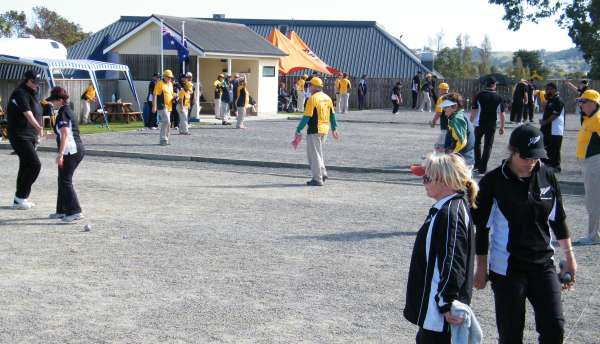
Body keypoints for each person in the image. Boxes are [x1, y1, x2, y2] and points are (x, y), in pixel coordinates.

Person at [473, 124, 577, 344]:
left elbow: (558, 219)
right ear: (513, 151)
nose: (532, 162)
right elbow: (482, 228)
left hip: (543, 264)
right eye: (527, 157)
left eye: (536, 157)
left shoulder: (547, 175)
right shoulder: (493, 181)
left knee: (554, 328)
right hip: (508, 269)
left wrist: (570, 258)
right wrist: (481, 267)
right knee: (511, 336)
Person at [404, 153, 478, 344]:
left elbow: (454, 260)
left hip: (439, 314)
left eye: (426, 178)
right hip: (434, 312)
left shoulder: (451, 213)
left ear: (444, 180)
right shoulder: (448, 208)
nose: (423, 182)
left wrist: (447, 301)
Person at [45, 87, 86, 223]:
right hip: (74, 149)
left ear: (61, 100)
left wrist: (60, 154)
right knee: (62, 179)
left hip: (71, 151)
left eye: (54, 101)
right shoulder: (65, 111)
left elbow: (65, 134)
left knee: (65, 181)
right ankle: (62, 210)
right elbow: (61, 133)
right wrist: (45, 136)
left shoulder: (63, 113)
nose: (52, 103)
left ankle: (75, 211)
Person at [6, 70, 44, 209]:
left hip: (30, 135)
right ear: (26, 80)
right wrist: (39, 128)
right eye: (33, 82)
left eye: (37, 82)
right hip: (19, 135)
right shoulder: (20, 93)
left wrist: (36, 134)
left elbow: (37, 111)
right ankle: (21, 197)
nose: (36, 85)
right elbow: (27, 113)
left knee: (25, 166)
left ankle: (20, 199)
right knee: (35, 164)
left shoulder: (34, 93)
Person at [294, 77, 340, 186]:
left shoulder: (312, 99)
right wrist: (334, 129)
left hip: (314, 130)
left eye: (310, 85)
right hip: (325, 130)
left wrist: (298, 129)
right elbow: (332, 115)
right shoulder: (328, 98)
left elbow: (306, 117)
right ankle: (323, 173)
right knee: (318, 153)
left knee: (313, 156)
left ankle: (317, 179)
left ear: (315, 87)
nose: (309, 87)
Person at [574, 89, 600, 245]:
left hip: (595, 163)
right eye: (580, 102)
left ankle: (594, 236)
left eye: (584, 102)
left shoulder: (597, 119)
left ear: (594, 103)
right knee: (593, 198)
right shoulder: (589, 118)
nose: (581, 105)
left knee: (593, 200)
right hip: (589, 163)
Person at [470, 77, 506, 174]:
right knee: (488, 146)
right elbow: (502, 114)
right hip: (491, 124)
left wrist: (470, 123)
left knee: (476, 144)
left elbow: (474, 110)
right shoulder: (499, 97)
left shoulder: (479, 95)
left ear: (485, 85)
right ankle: (483, 167)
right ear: (494, 85)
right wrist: (502, 127)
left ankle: (477, 165)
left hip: (479, 123)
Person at [442, 93, 475, 167]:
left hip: (461, 161)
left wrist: (451, 155)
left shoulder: (456, 119)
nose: (444, 110)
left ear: (454, 107)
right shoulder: (459, 116)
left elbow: (462, 141)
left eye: (445, 107)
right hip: (465, 159)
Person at [539, 82, 565, 172]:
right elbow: (545, 111)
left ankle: (556, 166)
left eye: (549, 89)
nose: (547, 91)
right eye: (546, 89)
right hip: (547, 128)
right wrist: (544, 102)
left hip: (555, 129)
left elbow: (555, 115)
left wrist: (544, 122)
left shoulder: (558, 100)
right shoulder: (550, 100)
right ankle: (546, 164)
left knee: (555, 148)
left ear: (555, 90)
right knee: (546, 147)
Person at [153, 69, 175, 146]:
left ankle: (166, 139)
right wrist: (154, 106)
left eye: (171, 77)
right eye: (168, 77)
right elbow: (155, 95)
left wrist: (175, 97)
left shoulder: (170, 84)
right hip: (162, 105)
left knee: (168, 123)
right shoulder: (159, 83)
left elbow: (171, 95)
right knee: (166, 121)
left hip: (169, 106)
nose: (170, 78)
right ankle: (163, 139)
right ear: (164, 76)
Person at [430, 82, 450, 151]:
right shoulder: (452, 97)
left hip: (445, 125)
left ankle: (439, 159)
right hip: (454, 125)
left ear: (443, 90)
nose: (439, 91)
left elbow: (439, 112)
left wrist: (433, 121)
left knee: (440, 146)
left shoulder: (441, 98)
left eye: (439, 89)